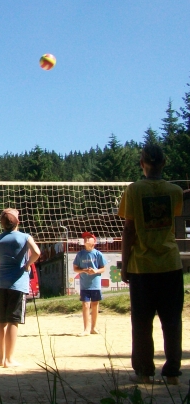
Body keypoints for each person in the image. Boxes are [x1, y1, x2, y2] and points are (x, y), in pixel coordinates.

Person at [119, 143, 184, 386]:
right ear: (164, 163)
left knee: (142, 322)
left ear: (141, 163)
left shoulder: (133, 190)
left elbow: (129, 230)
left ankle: (144, 372)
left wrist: (124, 266)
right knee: (172, 321)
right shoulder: (175, 191)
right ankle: (172, 373)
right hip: (170, 263)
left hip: (142, 266)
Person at [0, 208, 40, 368]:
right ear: (18, 221)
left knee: (1, 322)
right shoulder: (25, 237)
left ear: (1, 223)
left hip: (1, 284)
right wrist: (27, 264)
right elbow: (37, 252)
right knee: (13, 321)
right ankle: (9, 359)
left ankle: (0, 358)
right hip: (17, 284)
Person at [72, 232, 107, 337]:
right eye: (85, 238)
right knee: (86, 305)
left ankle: (93, 328)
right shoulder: (80, 254)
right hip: (84, 285)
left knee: (95, 305)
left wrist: (95, 271)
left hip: (95, 284)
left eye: (89, 237)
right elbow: (75, 268)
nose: (86, 239)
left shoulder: (98, 254)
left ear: (94, 241)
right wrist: (84, 270)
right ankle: (86, 329)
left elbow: (103, 268)